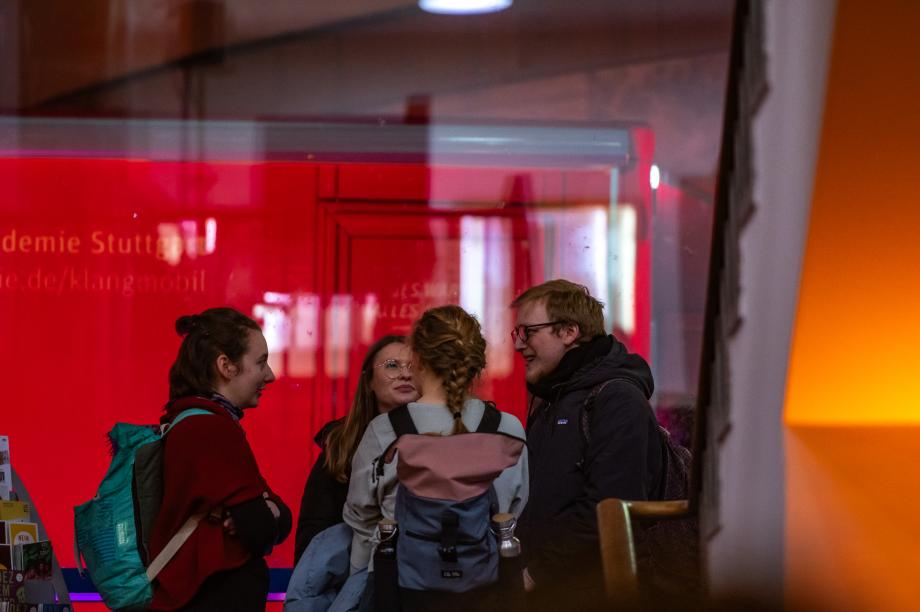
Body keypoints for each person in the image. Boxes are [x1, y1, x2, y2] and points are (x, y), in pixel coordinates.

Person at [510, 280, 665, 609]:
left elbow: (609, 508)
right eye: (517, 333)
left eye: (528, 332)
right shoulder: (552, 398)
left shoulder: (616, 400)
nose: (519, 345)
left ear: (568, 332)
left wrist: (536, 574)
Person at [343, 305, 529, 575]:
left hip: (401, 584)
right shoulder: (508, 429)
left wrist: (363, 574)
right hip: (485, 583)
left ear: (417, 359)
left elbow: (360, 516)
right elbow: (515, 510)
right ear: (476, 362)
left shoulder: (385, 430)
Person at [149, 307, 292, 611]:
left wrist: (270, 512)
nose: (270, 375)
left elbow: (277, 517)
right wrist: (268, 511)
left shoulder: (190, 420)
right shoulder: (212, 429)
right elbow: (261, 528)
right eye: (261, 362)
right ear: (226, 366)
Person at [294, 335, 419, 563]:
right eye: (392, 365)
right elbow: (314, 529)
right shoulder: (341, 442)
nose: (405, 374)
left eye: (414, 367)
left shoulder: (444, 438)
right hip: (354, 572)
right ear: (369, 381)